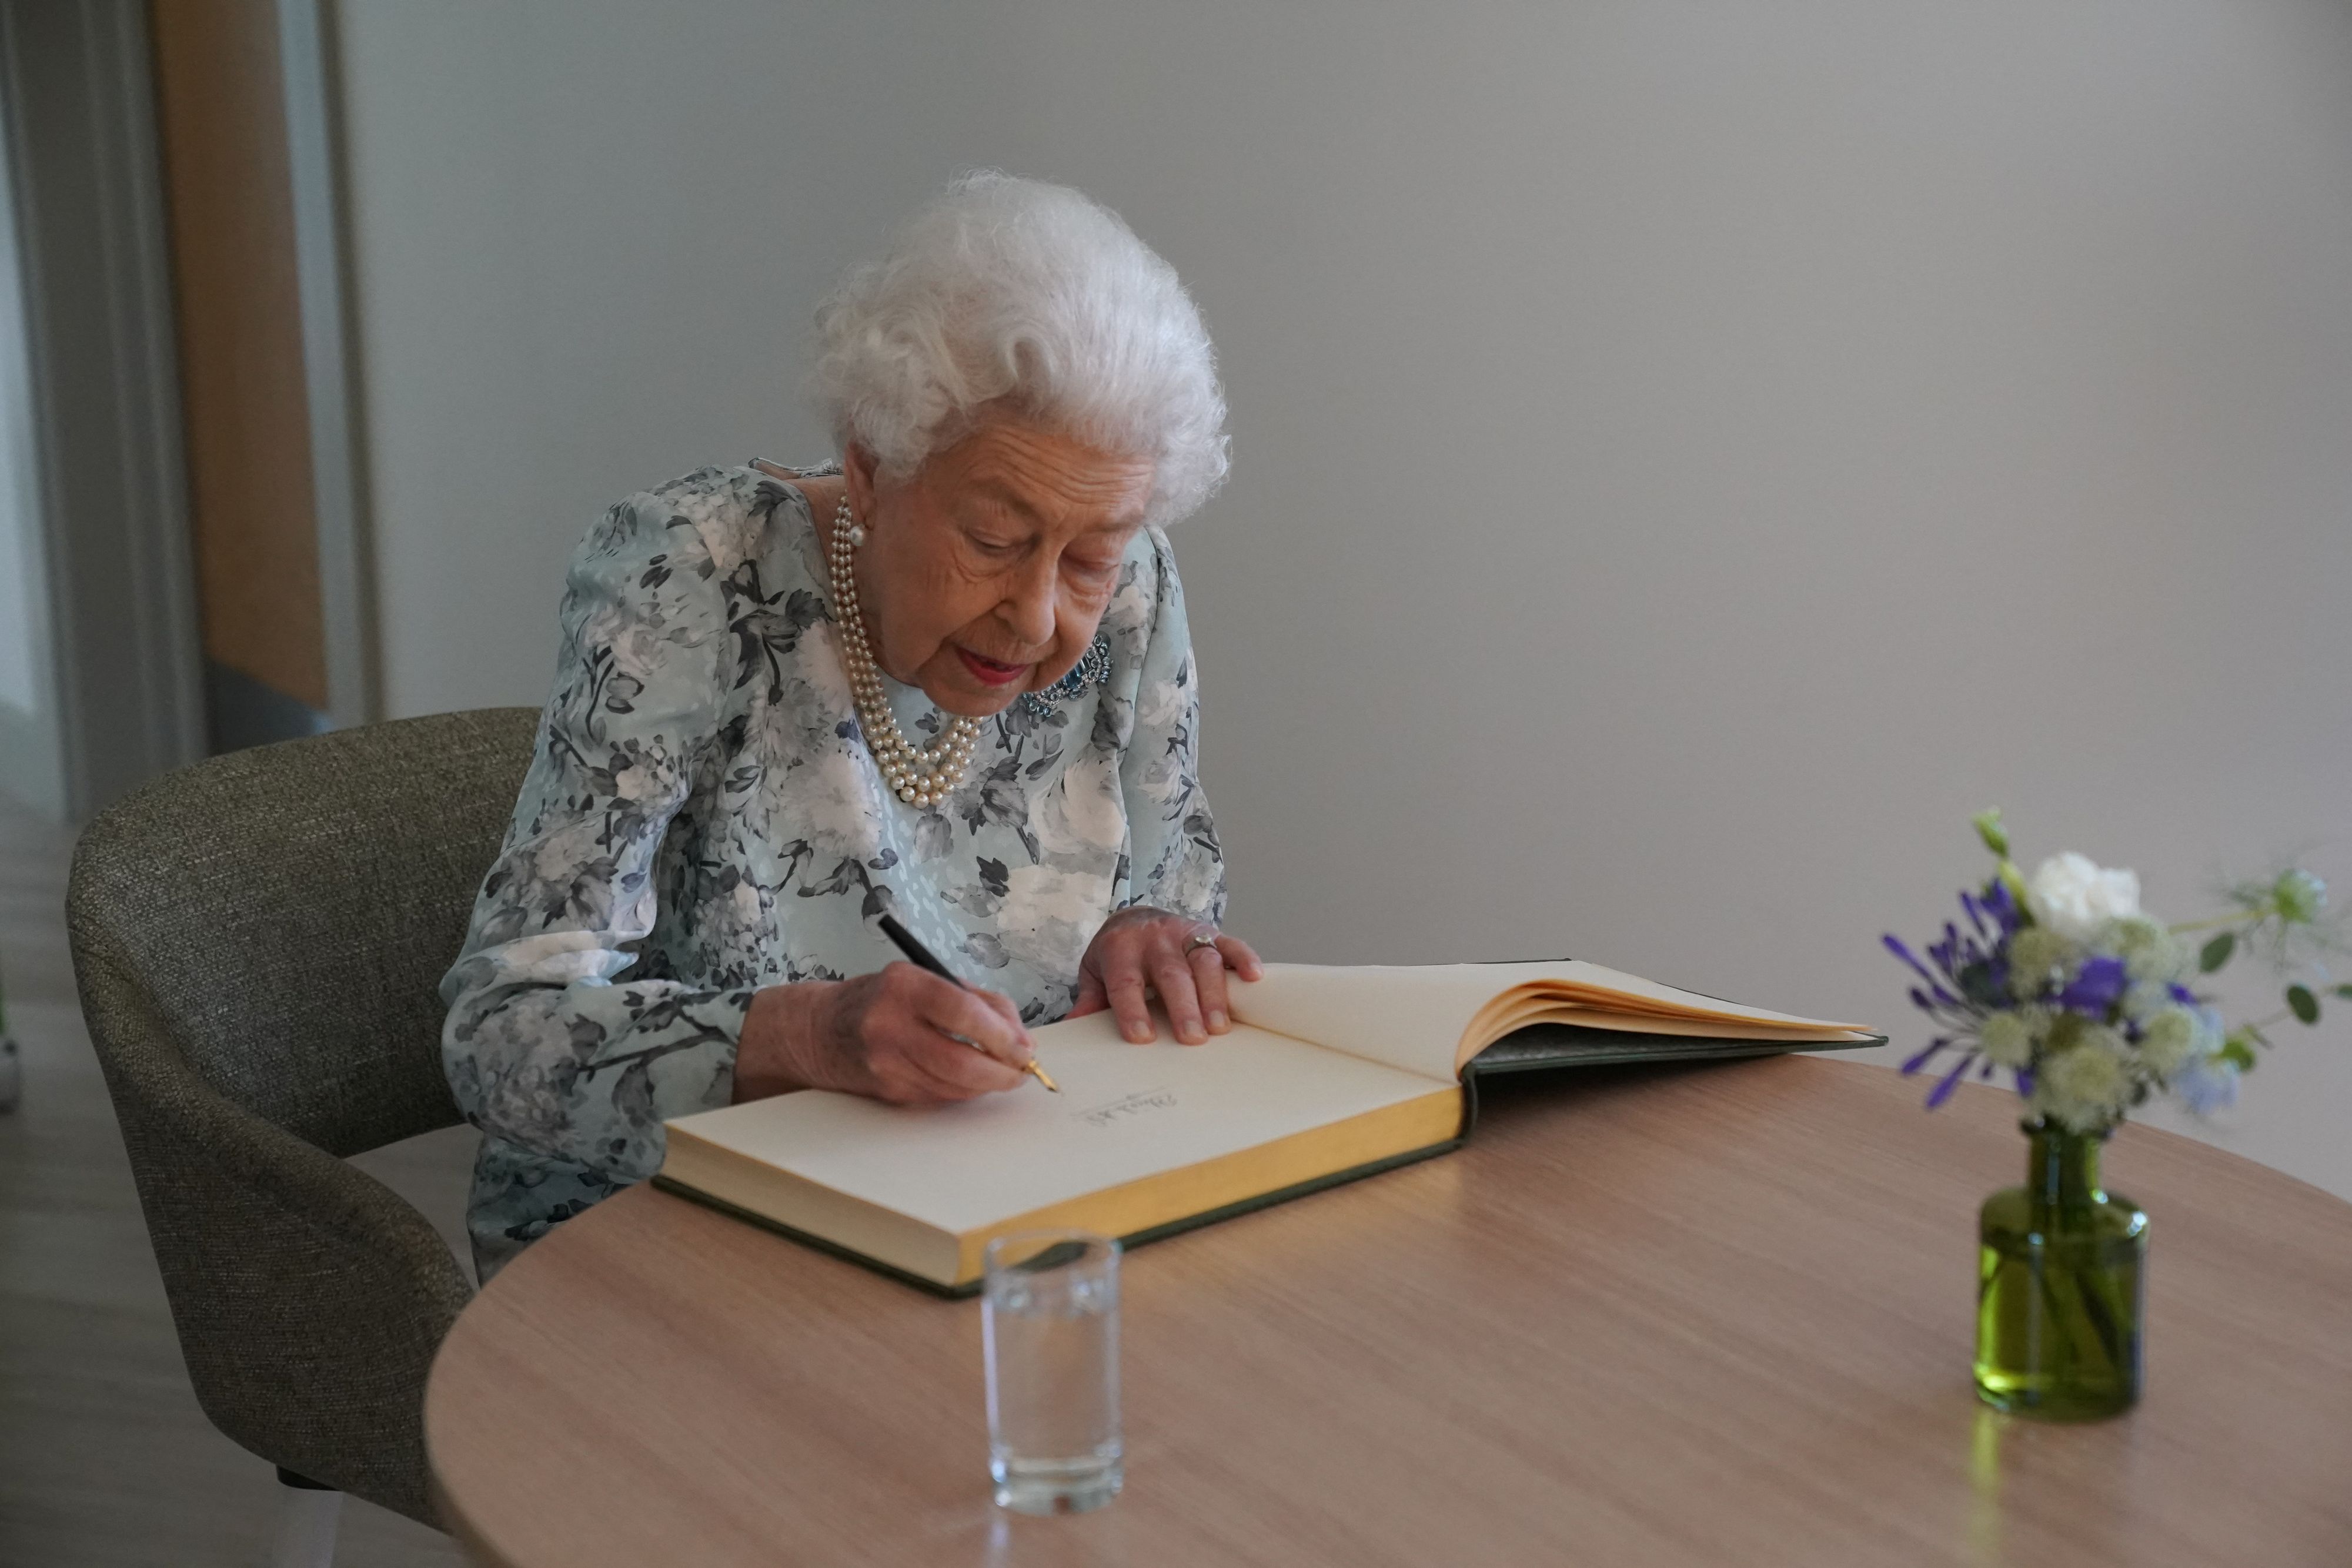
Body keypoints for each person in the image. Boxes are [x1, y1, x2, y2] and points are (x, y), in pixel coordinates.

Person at [440, 172, 1260, 1279]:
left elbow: (1169, 891)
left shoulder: (1134, 587)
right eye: (994, 537)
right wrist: (806, 1040)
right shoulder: (690, 578)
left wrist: (1152, 942)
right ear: (872, 468)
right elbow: (501, 1033)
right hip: (681, 1236)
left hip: (1007, 1217)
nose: (1038, 614)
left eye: (1089, 557)